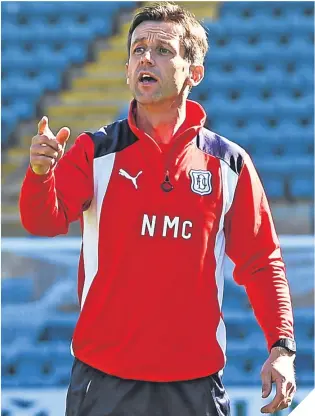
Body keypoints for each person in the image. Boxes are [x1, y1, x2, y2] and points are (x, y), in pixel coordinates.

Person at [19, 2, 296, 415]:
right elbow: (42, 221)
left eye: (163, 50)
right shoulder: (93, 151)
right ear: (128, 69)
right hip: (103, 384)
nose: (146, 57)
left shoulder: (229, 164)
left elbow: (261, 262)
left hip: (195, 387)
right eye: (137, 49)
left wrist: (282, 346)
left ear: (194, 72)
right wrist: (41, 173)